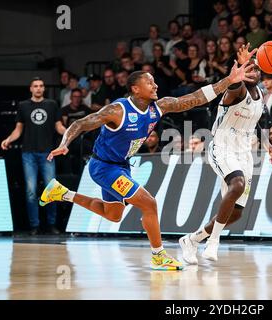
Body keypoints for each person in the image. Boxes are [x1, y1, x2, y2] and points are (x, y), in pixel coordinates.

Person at [38, 59, 255, 271]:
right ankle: (158, 255)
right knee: (149, 204)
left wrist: (228, 80)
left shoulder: (159, 107)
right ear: (135, 89)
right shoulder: (117, 110)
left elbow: (196, 98)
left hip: (121, 166)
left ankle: (62, 193)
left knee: (112, 215)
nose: (156, 85)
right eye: (150, 82)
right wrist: (64, 143)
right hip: (104, 167)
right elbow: (81, 123)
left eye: (154, 82)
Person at [179, 44, 272, 264]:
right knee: (238, 184)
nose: (252, 72)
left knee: (237, 212)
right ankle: (213, 242)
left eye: (255, 69)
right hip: (221, 146)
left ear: (261, 73)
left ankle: (192, 240)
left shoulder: (260, 94)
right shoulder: (236, 90)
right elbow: (235, 87)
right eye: (247, 69)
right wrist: (240, 67)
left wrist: (265, 141)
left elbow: (255, 121)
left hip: (244, 152)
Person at [1, 77, 67, 235]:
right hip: (28, 153)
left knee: (52, 189)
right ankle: (34, 225)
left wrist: (69, 136)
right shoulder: (23, 106)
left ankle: (51, 224)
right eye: (35, 86)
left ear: (44, 88)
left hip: (48, 153)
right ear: (31, 89)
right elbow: (18, 129)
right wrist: (8, 139)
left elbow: (59, 127)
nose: (38, 88)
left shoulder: (51, 105)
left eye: (41, 86)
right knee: (30, 191)